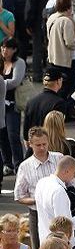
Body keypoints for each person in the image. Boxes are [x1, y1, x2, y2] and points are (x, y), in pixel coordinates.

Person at [14, 128, 75, 249]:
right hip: (37, 214)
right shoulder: (25, 166)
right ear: (30, 144)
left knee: (64, 247)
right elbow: (19, 196)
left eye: (45, 144)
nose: (42, 148)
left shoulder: (59, 158)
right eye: (38, 145)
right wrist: (40, 199)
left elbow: (74, 184)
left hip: (60, 210)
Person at [34, 156, 75, 248]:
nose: (74, 177)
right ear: (66, 171)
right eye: (74, 173)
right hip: (58, 245)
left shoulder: (41, 182)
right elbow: (64, 225)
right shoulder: (59, 191)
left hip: (44, 240)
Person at [0, 37, 24, 172]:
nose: (4, 50)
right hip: (1, 103)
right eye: (3, 47)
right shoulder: (0, 61)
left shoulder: (19, 63)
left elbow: (15, 81)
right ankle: (7, 163)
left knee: (13, 134)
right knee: (2, 135)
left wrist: (1, 83)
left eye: (8, 48)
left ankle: (18, 164)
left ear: (14, 50)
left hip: (13, 103)